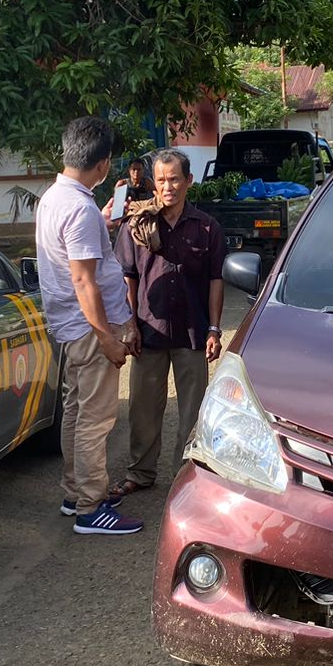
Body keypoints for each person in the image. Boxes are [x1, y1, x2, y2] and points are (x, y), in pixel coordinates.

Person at [34, 116, 143, 535]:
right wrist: (107, 337)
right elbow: (83, 279)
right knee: (95, 419)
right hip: (88, 328)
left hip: (70, 327)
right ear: (103, 164)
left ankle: (73, 493)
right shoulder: (79, 209)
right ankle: (91, 508)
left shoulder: (56, 198)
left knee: (77, 412)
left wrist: (101, 221)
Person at [108, 149, 226, 502]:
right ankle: (140, 473)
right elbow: (126, 278)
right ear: (152, 182)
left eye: (175, 179)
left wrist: (215, 329)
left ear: (189, 181)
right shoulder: (137, 225)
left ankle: (186, 477)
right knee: (143, 407)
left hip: (192, 330)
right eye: (161, 180)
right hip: (148, 329)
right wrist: (129, 324)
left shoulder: (207, 227)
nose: (168, 186)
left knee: (193, 411)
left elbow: (216, 280)